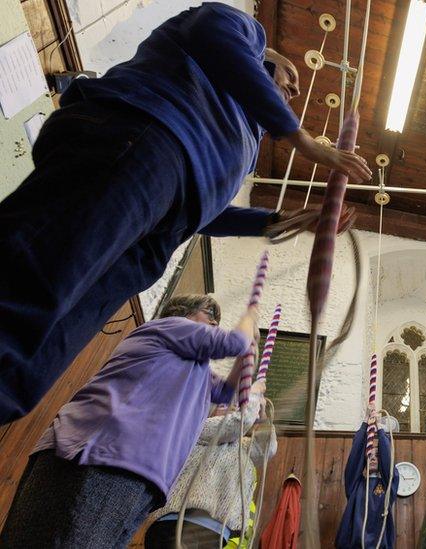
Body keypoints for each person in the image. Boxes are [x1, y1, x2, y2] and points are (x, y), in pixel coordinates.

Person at [0, 2, 370, 425]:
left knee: (27, 373)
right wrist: (300, 138)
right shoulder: (240, 28)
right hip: (143, 143)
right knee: (24, 293)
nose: (296, 90)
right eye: (291, 77)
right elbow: (216, 38)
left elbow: (204, 213)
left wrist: (279, 220)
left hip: (161, 227)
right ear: (265, 61)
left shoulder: (242, 144)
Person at [0, 294, 258, 549]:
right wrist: (249, 318)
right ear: (181, 313)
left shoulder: (195, 368)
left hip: (137, 472)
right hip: (103, 455)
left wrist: (246, 357)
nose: (215, 324)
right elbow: (233, 342)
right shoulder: (169, 327)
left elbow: (225, 392)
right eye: (209, 316)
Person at [143, 380, 277, 549]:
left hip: (215, 532)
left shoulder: (242, 447)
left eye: (238, 404)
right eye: (228, 404)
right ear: (211, 410)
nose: (235, 407)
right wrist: (253, 395)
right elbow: (234, 425)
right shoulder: (196, 431)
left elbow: (267, 450)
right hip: (177, 522)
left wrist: (262, 420)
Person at [335, 417, 399, 548]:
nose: (373, 458)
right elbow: (354, 458)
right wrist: (365, 424)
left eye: (377, 455)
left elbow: (389, 465)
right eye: (370, 455)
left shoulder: (388, 487)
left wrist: (380, 430)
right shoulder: (355, 485)